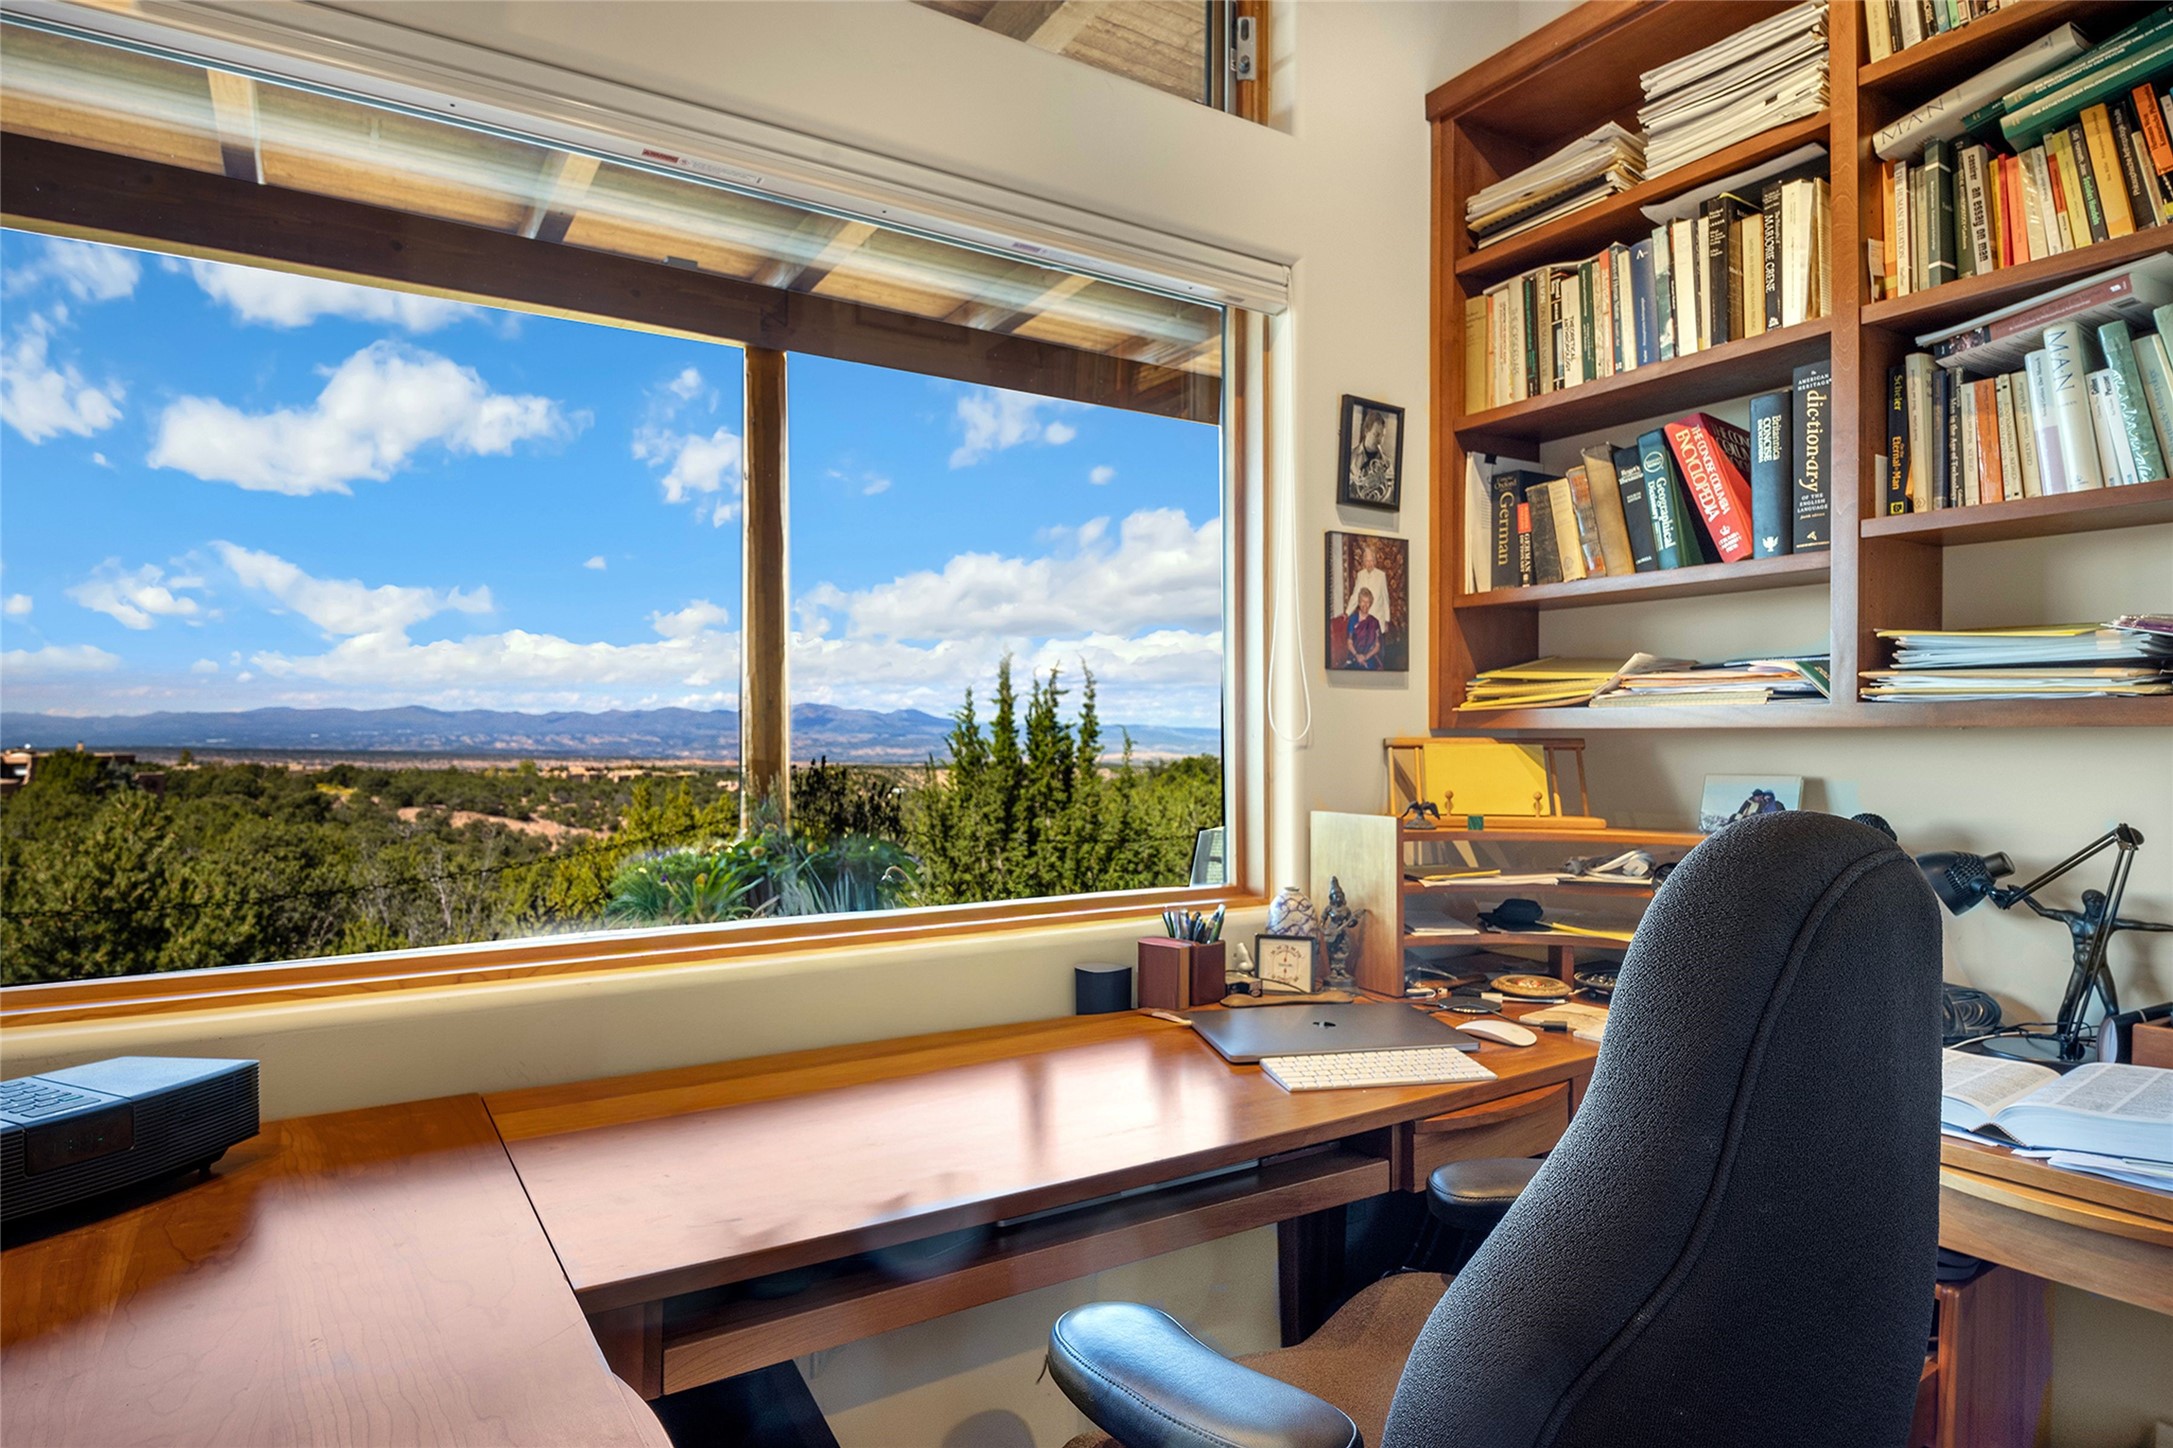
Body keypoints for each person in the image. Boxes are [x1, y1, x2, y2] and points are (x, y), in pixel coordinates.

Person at [1342, 538, 1392, 631]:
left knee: (1377, 640)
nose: (1369, 563)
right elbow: (1355, 595)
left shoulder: (1381, 575)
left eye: (1371, 560)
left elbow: (1385, 599)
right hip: (1364, 619)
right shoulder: (1360, 575)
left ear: (1375, 561)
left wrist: (1387, 620)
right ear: (1364, 562)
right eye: (1367, 561)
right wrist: (1347, 612)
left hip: (1378, 619)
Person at [1347, 588, 1382, 669]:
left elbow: (1377, 646)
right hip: (1354, 656)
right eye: (1363, 601)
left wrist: (1365, 657)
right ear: (1359, 602)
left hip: (1369, 657)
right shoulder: (1353, 619)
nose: (1365, 604)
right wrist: (1357, 656)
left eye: (1368, 602)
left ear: (1370, 604)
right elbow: (1349, 642)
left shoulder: (1374, 622)